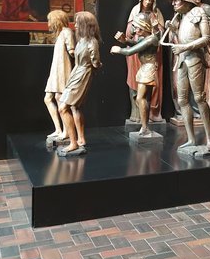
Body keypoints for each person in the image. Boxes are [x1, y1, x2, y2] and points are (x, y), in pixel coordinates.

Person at [167, 0, 210, 155]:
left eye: (176, 0)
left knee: (199, 98)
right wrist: (173, 30)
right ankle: (191, 139)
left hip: (194, 59)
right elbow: (183, 37)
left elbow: (206, 38)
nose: (173, 3)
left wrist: (184, 47)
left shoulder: (199, 12)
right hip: (183, 60)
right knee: (182, 100)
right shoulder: (181, 17)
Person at [57, 12, 101, 156]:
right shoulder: (82, 40)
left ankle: (73, 142)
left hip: (83, 74)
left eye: (77, 23)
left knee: (63, 108)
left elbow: (95, 62)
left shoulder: (92, 42)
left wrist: (96, 65)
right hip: (76, 73)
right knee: (75, 107)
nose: (75, 25)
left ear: (85, 25)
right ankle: (80, 139)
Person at [110, 13, 161, 138]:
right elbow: (136, 44)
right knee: (145, 99)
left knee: (140, 98)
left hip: (148, 69)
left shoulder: (151, 39)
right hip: (145, 68)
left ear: (145, 27)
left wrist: (118, 49)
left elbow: (130, 51)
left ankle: (145, 128)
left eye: (139, 28)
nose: (136, 30)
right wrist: (125, 40)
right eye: (135, 27)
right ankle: (145, 127)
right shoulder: (146, 38)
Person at [119, 0, 165, 123]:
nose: (148, 2)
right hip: (136, 53)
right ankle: (137, 113)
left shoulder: (156, 14)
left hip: (151, 53)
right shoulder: (135, 11)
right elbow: (130, 32)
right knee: (135, 80)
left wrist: (155, 29)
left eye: (150, 0)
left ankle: (151, 114)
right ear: (141, 0)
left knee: (151, 84)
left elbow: (160, 35)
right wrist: (126, 39)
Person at [44, 10, 75, 141]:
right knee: (48, 98)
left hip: (63, 69)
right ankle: (58, 129)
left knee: (60, 98)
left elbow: (72, 51)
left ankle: (66, 131)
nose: (49, 24)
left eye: (50, 20)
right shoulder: (61, 34)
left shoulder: (67, 32)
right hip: (56, 70)